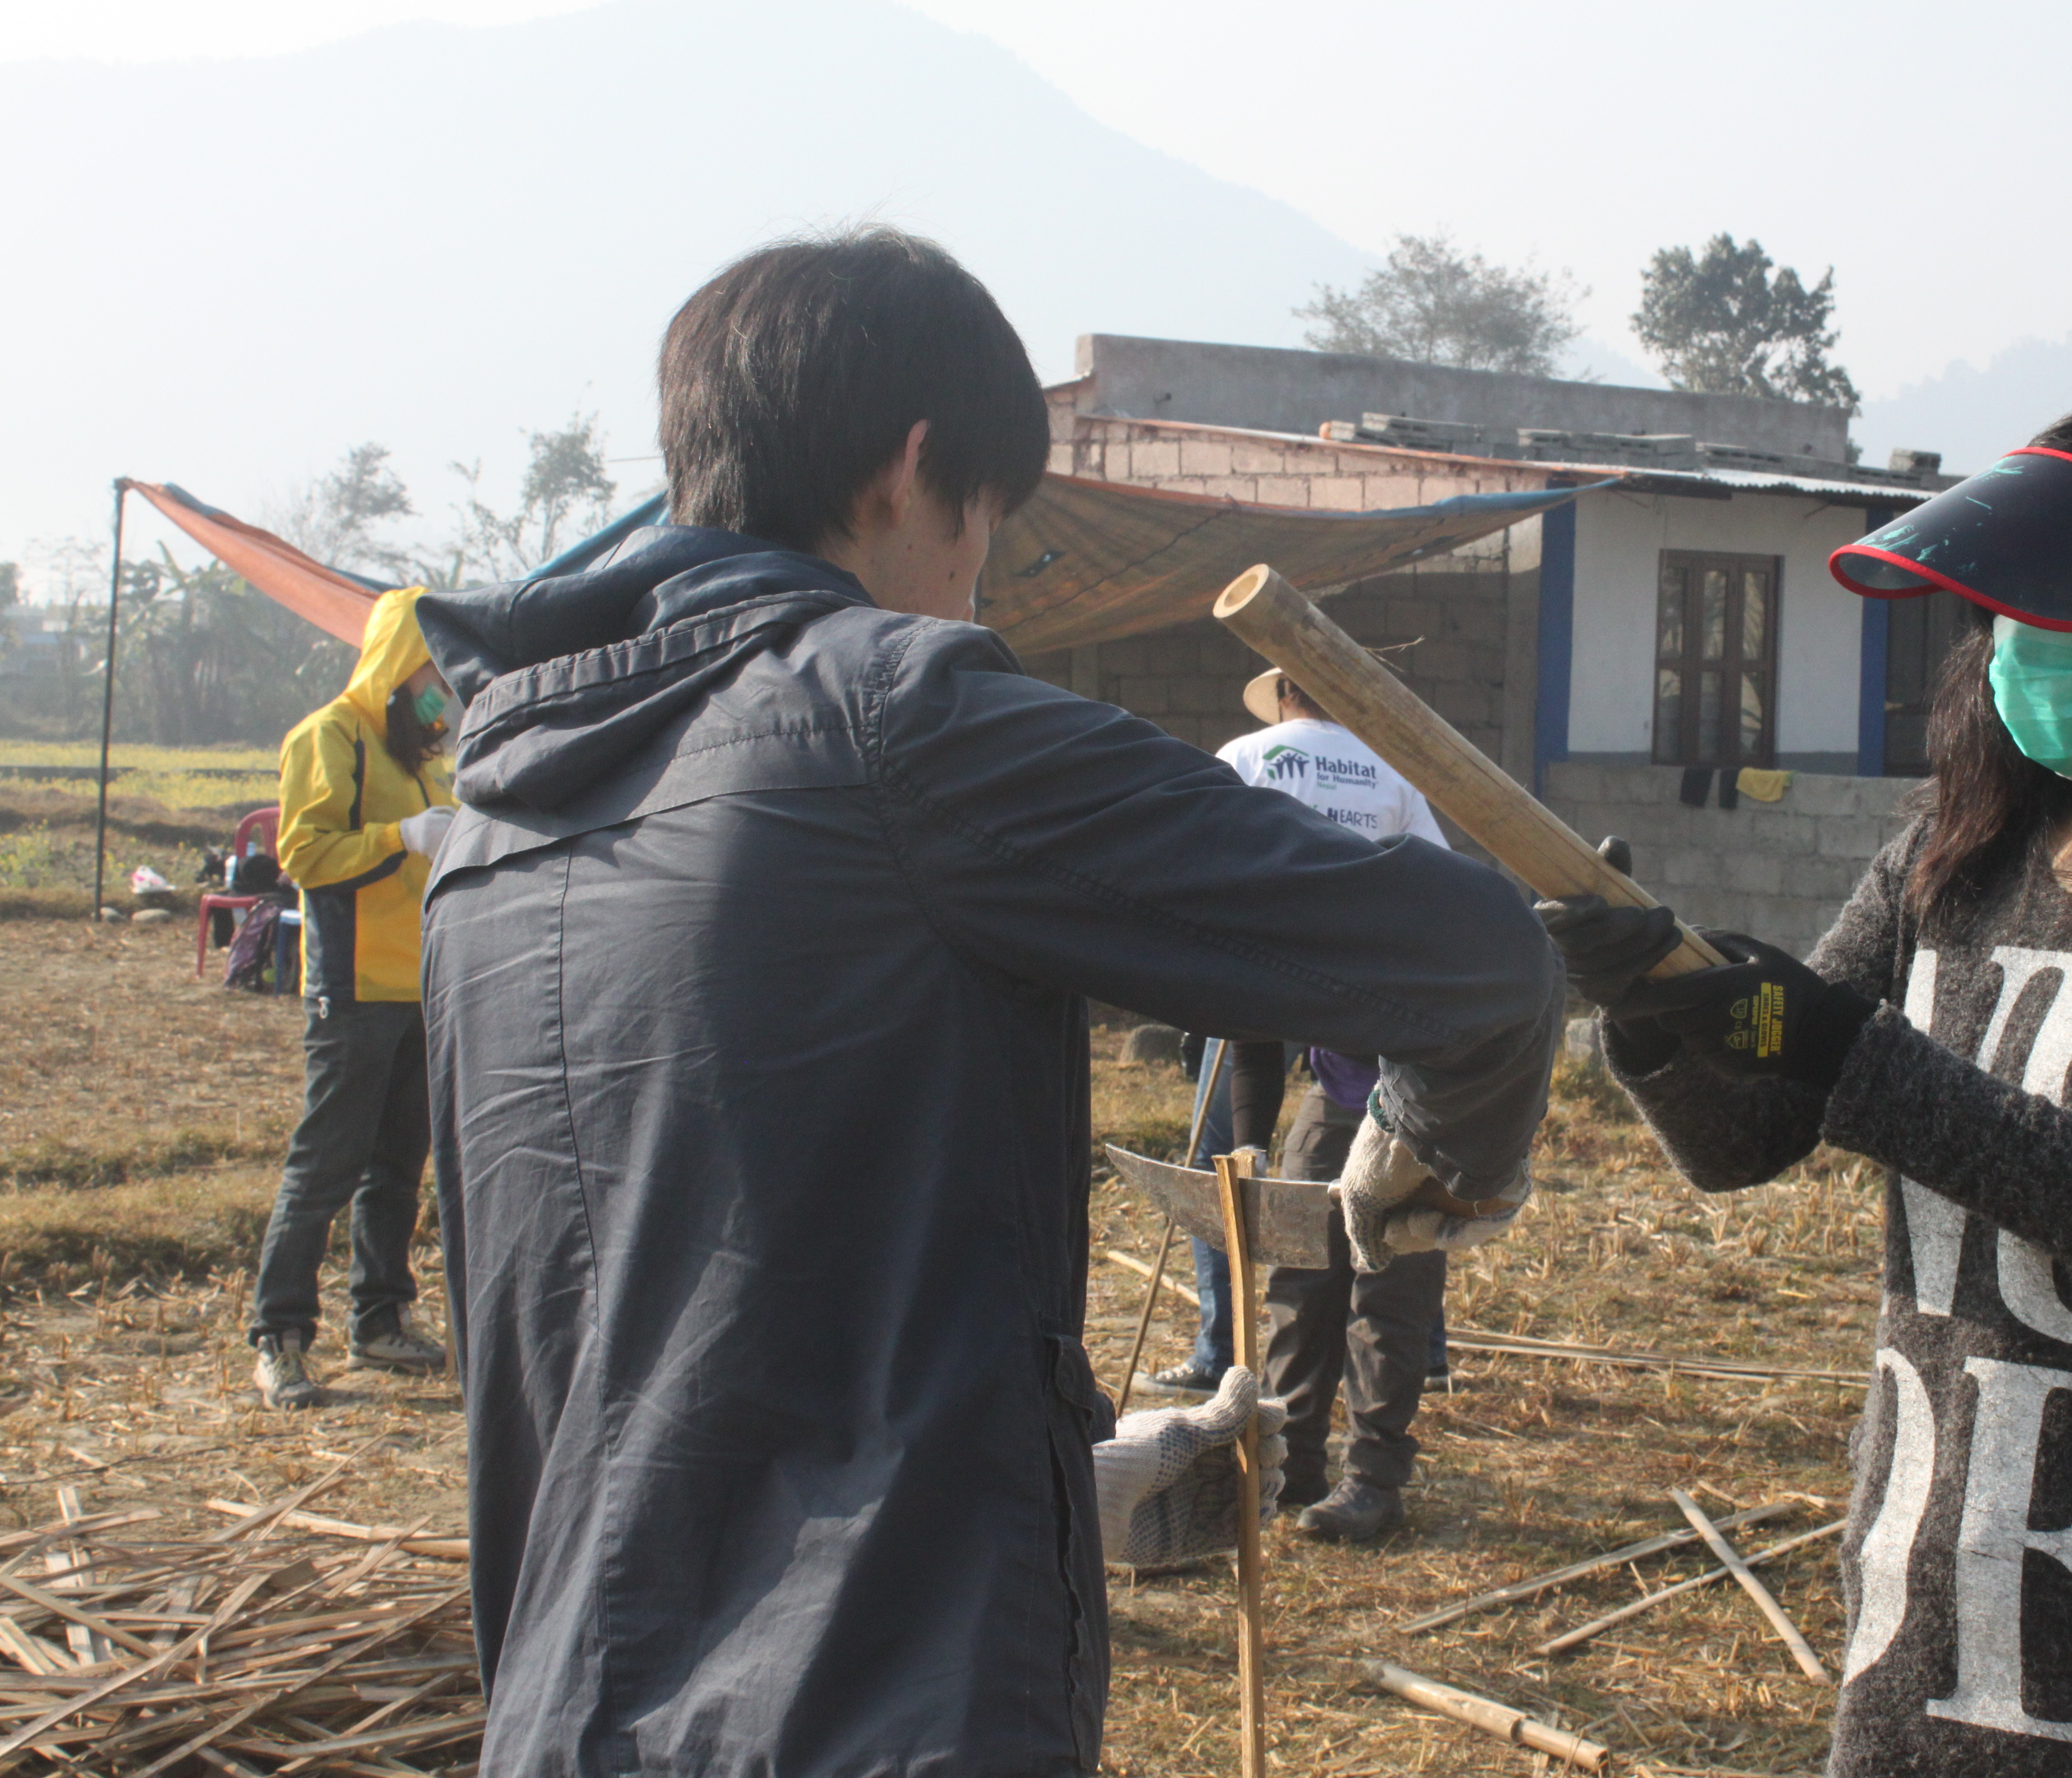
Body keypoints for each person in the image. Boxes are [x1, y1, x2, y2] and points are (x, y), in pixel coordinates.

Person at [416, 227, 1560, 1777]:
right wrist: (1434, 1146)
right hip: (873, 1709)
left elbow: (667, 1324)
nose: (976, 584)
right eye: (989, 530)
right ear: (911, 471)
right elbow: (1469, 955)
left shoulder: (496, 808)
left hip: (567, 1701)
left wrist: (1071, 1478)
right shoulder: (895, 712)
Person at [1541, 388, 2072, 1777]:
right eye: (2005, 615)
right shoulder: (1954, 860)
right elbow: (1750, 1138)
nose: (2018, 650)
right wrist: (1658, 1016)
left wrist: (1825, 1040)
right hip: (1930, 1571)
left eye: (2066, 613)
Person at [1219, 668, 1466, 1541]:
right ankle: (1306, 1466)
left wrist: (1245, 1144)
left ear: (1285, 689)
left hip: (1402, 1086)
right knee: (1359, 1273)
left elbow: (1239, 990)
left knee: (1342, 1272)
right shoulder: (1395, 777)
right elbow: (1447, 899)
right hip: (1374, 1075)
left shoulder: (1242, 763)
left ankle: (1363, 1481)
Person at [248, 587, 460, 1409]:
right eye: (432, 673)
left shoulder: (419, 756)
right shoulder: (329, 736)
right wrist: (401, 838)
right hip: (355, 987)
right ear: (397, 666)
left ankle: (379, 1320)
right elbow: (303, 851)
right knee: (327, 1164)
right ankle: (283, 1336)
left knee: (398, 1166)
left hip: (418, 987)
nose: (441, 689)